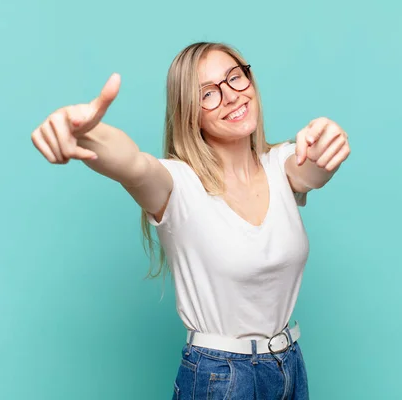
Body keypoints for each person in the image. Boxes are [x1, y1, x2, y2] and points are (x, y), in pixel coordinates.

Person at [30, 41, 350, 399]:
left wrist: (328, 138)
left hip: (289, 365)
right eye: (208, 94)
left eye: (235, 78)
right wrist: (82, 132)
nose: (231, 96)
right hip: (223, 378)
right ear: (188, 113)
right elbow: (132, 164)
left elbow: (316, 165)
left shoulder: (281, 165)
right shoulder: (177, 185)